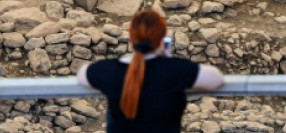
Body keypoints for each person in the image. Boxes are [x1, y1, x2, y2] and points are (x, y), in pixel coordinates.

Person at [77, 9, 224, 133]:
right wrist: (168, 60)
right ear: (162, 39)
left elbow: (82, 74)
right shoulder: (176, 70)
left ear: (132, 39)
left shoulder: (111, 70)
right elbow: (216, 78)